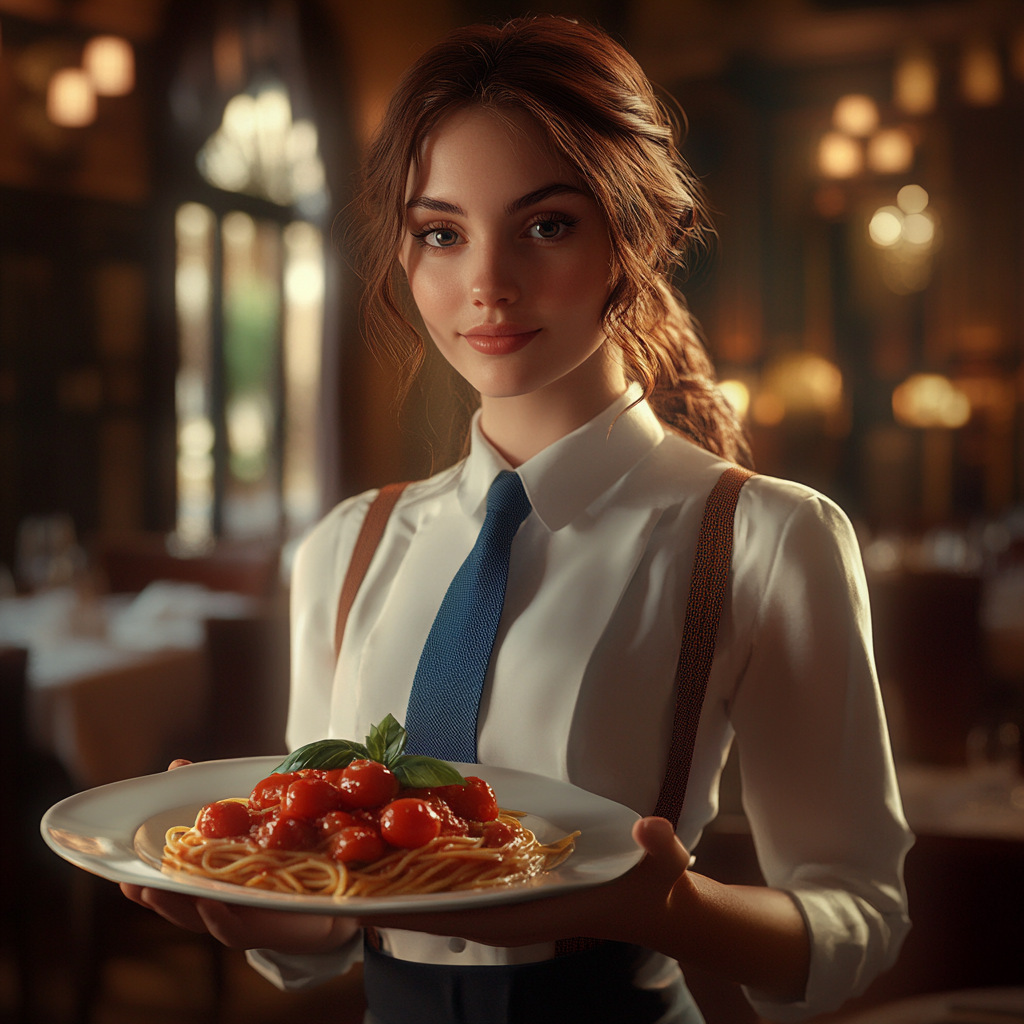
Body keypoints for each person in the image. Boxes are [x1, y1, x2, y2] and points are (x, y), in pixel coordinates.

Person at [123, 16, 912, 1024]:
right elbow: (329, 926)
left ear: (643, 234)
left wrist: (675, 909)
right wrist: (243, 902)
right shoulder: (344, 545)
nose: (485, 284)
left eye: (546, 224)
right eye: (440, 233)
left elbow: (859, 919)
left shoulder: (761, 538)